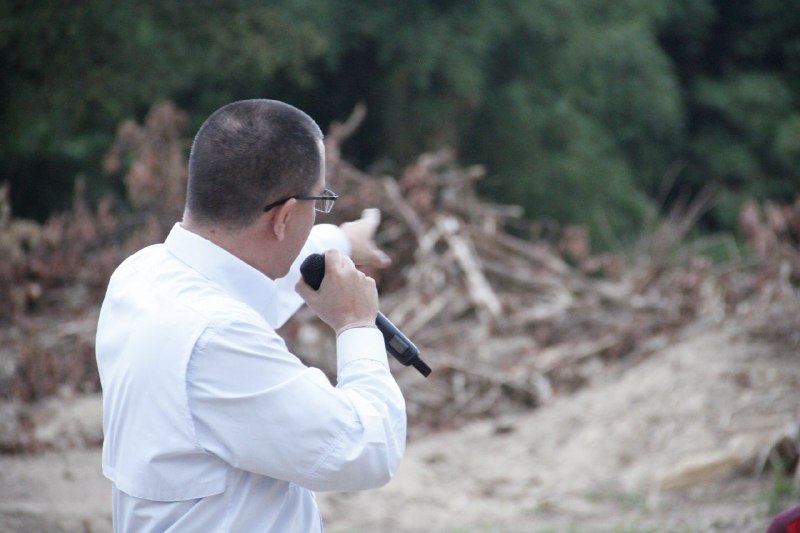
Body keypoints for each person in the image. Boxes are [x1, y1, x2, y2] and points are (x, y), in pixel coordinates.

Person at [95, 99, 407, 532]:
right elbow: (368, 448)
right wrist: (355, 326)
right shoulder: (218, 340)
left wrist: (341, 239)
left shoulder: (140, 275)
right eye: (319, 201)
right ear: (284, 218)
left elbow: (250, 279)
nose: (318, 211)